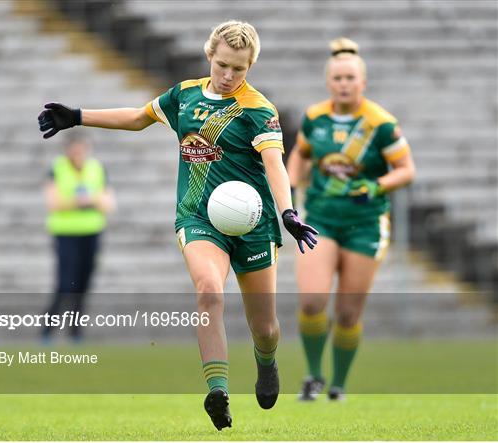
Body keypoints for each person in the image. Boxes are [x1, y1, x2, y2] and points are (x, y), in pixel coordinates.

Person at [38, 21, 317, 430]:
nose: (228, 76)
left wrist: (288, 212)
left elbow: (275, 163)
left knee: (265, 327)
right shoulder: (185, 95)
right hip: (199, 218)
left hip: (253, 226)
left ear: (250, 66)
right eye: (222, 65)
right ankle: (218, 390)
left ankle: (266, 361)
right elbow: (137, 117)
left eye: (238, 69)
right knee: (208, 289)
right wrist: (78, 116)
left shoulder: (258, 109)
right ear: (210, 55)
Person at [287, 38, 416, 401]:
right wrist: (290, 189)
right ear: (329, 82)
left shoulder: (381, 125)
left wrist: (376, 185)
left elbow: (406, 170)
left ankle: (338, 384)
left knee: (346, 313)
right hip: (321, 220)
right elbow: (300, 155)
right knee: (312, 301)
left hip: (365, 225)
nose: (344, 83)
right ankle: (313, 376)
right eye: (338, 78)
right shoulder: (316, 118)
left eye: (350, 78)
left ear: (363, 83)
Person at [42, 132, 115, 341]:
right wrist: (85, 201)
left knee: (83, 284)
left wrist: (85, 200)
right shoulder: (57, 168)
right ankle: (48, 329)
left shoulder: (96, 168)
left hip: (91, 232)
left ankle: (75, 332)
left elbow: (109, 203)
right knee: (66, 284)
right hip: (65, 233)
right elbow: (53, 202)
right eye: (75, 148)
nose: (79, 152)